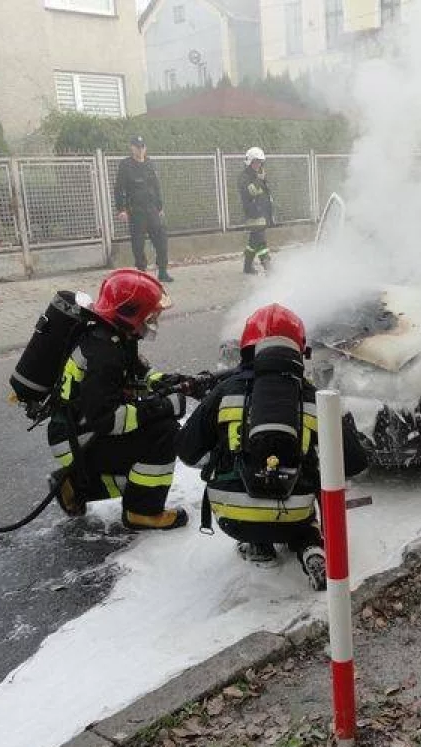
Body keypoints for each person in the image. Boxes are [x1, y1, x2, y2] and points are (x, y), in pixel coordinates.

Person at [175, 303, 368, 589]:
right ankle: (310, 547)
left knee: (252, 504)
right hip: (294, 512)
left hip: (232, 515)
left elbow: (188, 452)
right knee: (303, 501)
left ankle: (258, 545)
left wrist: (228, 452)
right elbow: (354, 463)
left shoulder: (225, 391)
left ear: (247, 349)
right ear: (300, 352)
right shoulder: (316, 397)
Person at [48, 268, 203, 531]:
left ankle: (75, 486)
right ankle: (142, 512)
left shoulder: (112, 336)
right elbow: (106, 419)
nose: (153, 320)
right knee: (164, 433)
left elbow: (142, 375)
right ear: (130, 313)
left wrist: (180, 382)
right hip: (77, 439)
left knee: (152, 436)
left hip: (76, 431)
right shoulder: (105, 354)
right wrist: (163, 407)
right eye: (150, 314)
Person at [114, 136, 174, 283]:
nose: (140, 150)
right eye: (137, 147)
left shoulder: (150, 163)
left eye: (142, 147)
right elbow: (119, 188)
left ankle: (163, 271)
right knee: (138, 244)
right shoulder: (126, 165)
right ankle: (142, 273)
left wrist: (160, 206)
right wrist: (121, 209)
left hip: (152, 209)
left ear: (145, 148)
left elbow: (156, 185)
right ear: (132, 148)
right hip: (136, 210)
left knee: (161, 240)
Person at [239, 146, 274, 275]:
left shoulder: (259, 176)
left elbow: (265, 195)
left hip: (262, 214)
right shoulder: (244, 177)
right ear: (249, 162)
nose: (258, 165)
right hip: (253, 214)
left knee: (253, 242)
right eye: (256, 162)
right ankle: (268, 268)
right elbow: (251, 192)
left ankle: (247, 267)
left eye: (260, 162)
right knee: (261, 241)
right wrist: (260, 179)